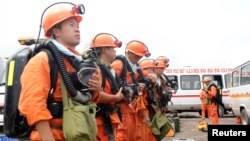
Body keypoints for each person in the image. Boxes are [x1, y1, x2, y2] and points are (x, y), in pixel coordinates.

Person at [18, 4, 101, 141]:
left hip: (81, 132)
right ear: (56, 31)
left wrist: (95, 90)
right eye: (71, 25)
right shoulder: (42, 60)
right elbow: (33, 104)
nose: (77, 30)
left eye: (78, 26)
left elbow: (86, 99)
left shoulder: (78, 62)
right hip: (54, 134)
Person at [88, 33, 125, 141]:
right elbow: (94, 95)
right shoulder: (96, 69)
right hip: (99, 121)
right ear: (104, 49)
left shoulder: (109, 70)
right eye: (113, 48)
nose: (115, 51)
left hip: (108, 120)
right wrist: (116, 98)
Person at [111, 40, 151, 141]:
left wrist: (139, 86)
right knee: (122, 136)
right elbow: (112, 86)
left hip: (131, 109)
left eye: (140, 56)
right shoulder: (118, 65)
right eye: (137, 56)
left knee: (132, 136)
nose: (139, 58)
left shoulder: (136, 68)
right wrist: (133, 87)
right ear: (128, 53)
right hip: (121, 110)